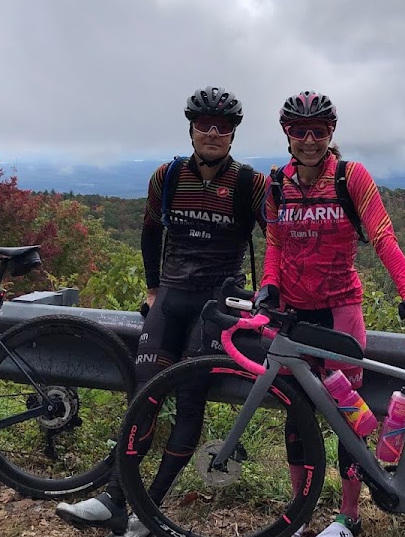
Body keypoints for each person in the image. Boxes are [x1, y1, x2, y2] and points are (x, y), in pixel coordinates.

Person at [56, 86, 266, 536]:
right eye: (204, 124)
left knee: (189, 401)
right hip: (170, 298)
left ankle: (149, 511)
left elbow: (279, 240)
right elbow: (151, 233)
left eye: (223, 126)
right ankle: (114, 498)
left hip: (217, 305)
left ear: (233, 134)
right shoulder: (167, 176)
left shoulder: (250, 183)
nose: (213, 132)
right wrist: (152, 288)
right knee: (144, 396)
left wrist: (270, 294)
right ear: (190, 128)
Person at [259, 91, 405, 537]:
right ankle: (299, 514)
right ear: (287, 134)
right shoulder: (276, 182)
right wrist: (268, 285)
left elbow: (382, 235)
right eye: (300, 131)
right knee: (296, 415)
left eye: (319, 131)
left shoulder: (349, 177)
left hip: (341, 313)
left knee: (347, 417)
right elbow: (275, 243)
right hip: (292, 315)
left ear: (331, 133)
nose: (310, 140)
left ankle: (348, 518)